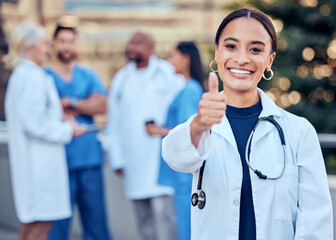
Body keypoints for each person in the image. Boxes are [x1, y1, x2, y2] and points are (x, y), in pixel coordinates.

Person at [162, 8, 333, 240]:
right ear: (217, 53)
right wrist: (199, 124)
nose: (242, 58)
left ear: (269, 60)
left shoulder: (299, 132)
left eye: (256, 49)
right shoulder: (202, 126)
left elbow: (316, 223)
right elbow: (174, 156)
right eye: (231, 46)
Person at [4, 23, 85, 240]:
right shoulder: (32, 78)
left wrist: (58, 117)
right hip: (40, 168)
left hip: (34, 165)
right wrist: (68, 129)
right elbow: (35, 125)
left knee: (30, 228)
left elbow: (33, 116)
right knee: (39, 228)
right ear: (31, 47)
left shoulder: (23, 76)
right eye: (43, 44)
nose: (48, 49)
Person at [107, 31, 184, 240]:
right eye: (130, 42)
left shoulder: (167, 73)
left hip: (161, 159)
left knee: (164, 215)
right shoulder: (121, 79)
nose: (132, 47)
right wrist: (117, 158)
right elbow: (113, 122)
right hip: (133, 161)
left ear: (151, 48)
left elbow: (183, 109)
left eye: (138, 43)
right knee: (143, 220)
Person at [46, 24, 112, 240]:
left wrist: (69, 102)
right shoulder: (44, 76)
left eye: (71, 41)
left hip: (89, 159)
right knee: (57, 225)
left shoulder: (87, 74)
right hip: (59, 160)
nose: (67, 46)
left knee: (96, 223)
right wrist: (84, 103)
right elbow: (44, 111)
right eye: (62, 41)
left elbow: (102, 106)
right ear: (54, 44)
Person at [146, 41, 204, 240]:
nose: (169, 61)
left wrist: (159, 130)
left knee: (186, 227)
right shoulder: (189, 88)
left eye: (173, 56)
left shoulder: (190, 91)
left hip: (185, 175)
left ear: (186, 59)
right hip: (183, 173)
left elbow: (189, 130)